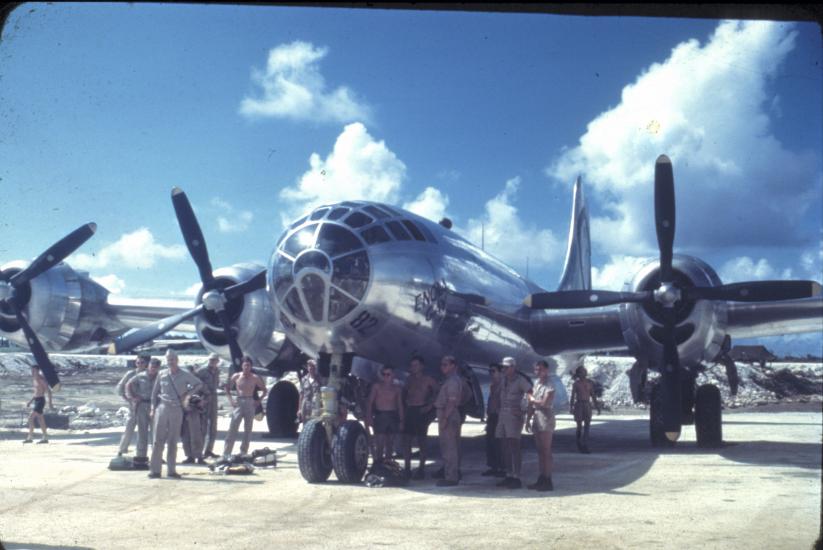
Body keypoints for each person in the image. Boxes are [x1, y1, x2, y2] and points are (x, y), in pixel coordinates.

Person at [148, 350, 203, 479]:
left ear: (177, 360)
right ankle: (155, 470)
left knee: (173, 440)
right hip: (162, 408)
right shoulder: (161, 374)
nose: (170, 362)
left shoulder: (184, 375)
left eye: (172, 359)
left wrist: (188, 394)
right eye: (168, 360)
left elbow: (199, 384)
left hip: (177, 409)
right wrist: (152, 408)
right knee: (158, 440)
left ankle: (171, 470)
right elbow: (154, 394)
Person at [494, 356, 532, 489]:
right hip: (503, 415)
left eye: (506, 367)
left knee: (514, 446)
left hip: (514, 416)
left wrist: (524, 411)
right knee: (504, 446)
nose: (503, 369)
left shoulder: (520, 381)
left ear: (513, 367)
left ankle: (517, 476)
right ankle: (509, 474)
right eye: (502, 367)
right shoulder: (503, 380)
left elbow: (530, 394)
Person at [222, 355, 267, 458]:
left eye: (249, 365)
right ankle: (226, 452)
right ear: (242, 366)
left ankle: (243, 451)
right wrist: (231, 400)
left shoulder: (255, 378)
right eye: (245, 365)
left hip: (250, 401)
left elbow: (264, 390)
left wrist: (258, 401)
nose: (247, 367)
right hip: (239, 401)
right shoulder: (236, 376)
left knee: (248, 429)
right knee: (233, 427)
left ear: (251, 366)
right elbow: (227, 388)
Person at [402, 355, 438, 479]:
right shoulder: (409, 380)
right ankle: (407, 468)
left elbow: (437, 392)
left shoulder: (428, 379)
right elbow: (404, 393)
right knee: (406, 441)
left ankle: (421, 468)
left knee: (422, 441)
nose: (413, 368)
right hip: (410, 410)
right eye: (412, 365)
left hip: (421, 410)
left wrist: (430, 406)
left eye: (416, 365)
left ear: (422, 366)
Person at [526, 359, 556, 491]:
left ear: (546, 370)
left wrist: (532, 399)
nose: (538, 372)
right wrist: (528, 419)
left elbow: (545, 403)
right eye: (536, 369)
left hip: (545, 417)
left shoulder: (550, 385)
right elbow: (532, 403)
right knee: (540, 450)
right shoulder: (537, 383)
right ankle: (541, 477)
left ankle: (548, 479)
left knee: (546, 450)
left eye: (540, 369)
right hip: (537, 416)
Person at [125, 357, 160, 469]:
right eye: (151, 367)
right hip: (142, 406)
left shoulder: (162, 377)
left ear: (158, 368)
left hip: (156, 406)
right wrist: (133, 397)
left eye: (155, 367)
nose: (152, 369)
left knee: (156, 433)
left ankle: (157, 457)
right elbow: (128, 385)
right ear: (148, 366)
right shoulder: (140, 376)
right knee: (142, 432)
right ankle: (141, 457)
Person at [434, 355, 463, 487]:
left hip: (448, 414)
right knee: (451, 446)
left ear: (453, 366)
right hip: (449, 414)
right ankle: (452, 473)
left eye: (445, 365)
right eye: (442, 365)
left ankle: (451, 477)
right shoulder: (450, 380)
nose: (442, 367)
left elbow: (451, 402)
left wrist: (444, 418)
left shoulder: (452, 382)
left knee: (449, 447)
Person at [366, 365, 404, 465]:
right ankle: (378, 463)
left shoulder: (397, 389)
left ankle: (388, 464)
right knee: (379, 443)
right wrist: (369, 417)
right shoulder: (377, 387)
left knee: (390, 443)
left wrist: (401, 420)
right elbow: (370, 402)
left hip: (392, 416)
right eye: (384, 374)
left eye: (388, 374)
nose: (386, 377)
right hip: (380, 415)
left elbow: (400, 405)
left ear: (393, 375)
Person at [116, 354, 149, 456]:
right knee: (129, 428)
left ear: (147, 364)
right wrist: (129, 399)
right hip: (134, 406)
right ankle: (122, 450)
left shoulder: (151, 375)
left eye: (142, 363)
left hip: (146, 406)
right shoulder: (130, 374)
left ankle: (143, 454)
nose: (139, 365)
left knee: (144, 432)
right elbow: (120, 388)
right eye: (137, 362)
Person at [194, 352, 222, 459]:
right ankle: (199, 451)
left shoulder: (217, 371)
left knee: (214, 425)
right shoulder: (201, 371)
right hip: (204, 398)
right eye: (211, 360)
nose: (213, 362)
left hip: (214, 397)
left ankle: (209, 450)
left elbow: (216, 383)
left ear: (217, 362)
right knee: (203, 426)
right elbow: (195, 383)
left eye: (215, 360)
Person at [481, 363, 505, 477]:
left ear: (500, 372)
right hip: (492, 416)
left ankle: (503, 468)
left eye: (493, 371)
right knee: (490, 442)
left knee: (500, 443)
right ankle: (494, 466)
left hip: (500, 416)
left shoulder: (504, 385)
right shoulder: (492, 385)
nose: (491, 373)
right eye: (490, 371)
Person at [570, 365, 600, 453]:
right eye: (582, 371)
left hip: (587, 405)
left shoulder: (589, 383)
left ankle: (585, 444)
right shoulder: (576, 384)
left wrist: (597, 407)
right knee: (579, 426)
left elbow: (593, 396)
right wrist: (571, 407)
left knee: (587, 426)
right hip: (579, 404)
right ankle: (579, 443)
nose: (584, 373)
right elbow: (572, 396)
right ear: (579, 374)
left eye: (585, 371)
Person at [23, 366, 52, 444]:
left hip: (41, 401)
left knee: (30, 418)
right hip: (36, 400)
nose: (33, 372)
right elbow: (36, 392)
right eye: (32, 370)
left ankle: (30, 437)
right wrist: (30, 401)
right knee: (40, 420)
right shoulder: (34, 379)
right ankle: (45, 438)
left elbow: (49, 391)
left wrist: (50, 404)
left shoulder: (41, 380)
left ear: (38, 371)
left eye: (34, 371)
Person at [297, 359, 321, 428]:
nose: (311, 368)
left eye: (312, 366)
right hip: (306, 404)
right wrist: (299, 409)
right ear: (307, 368)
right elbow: (301, 395)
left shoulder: (319, 379)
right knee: (305, 424)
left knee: (315, 423)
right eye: (309, 366)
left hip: (316, 405)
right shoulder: (304, 379)